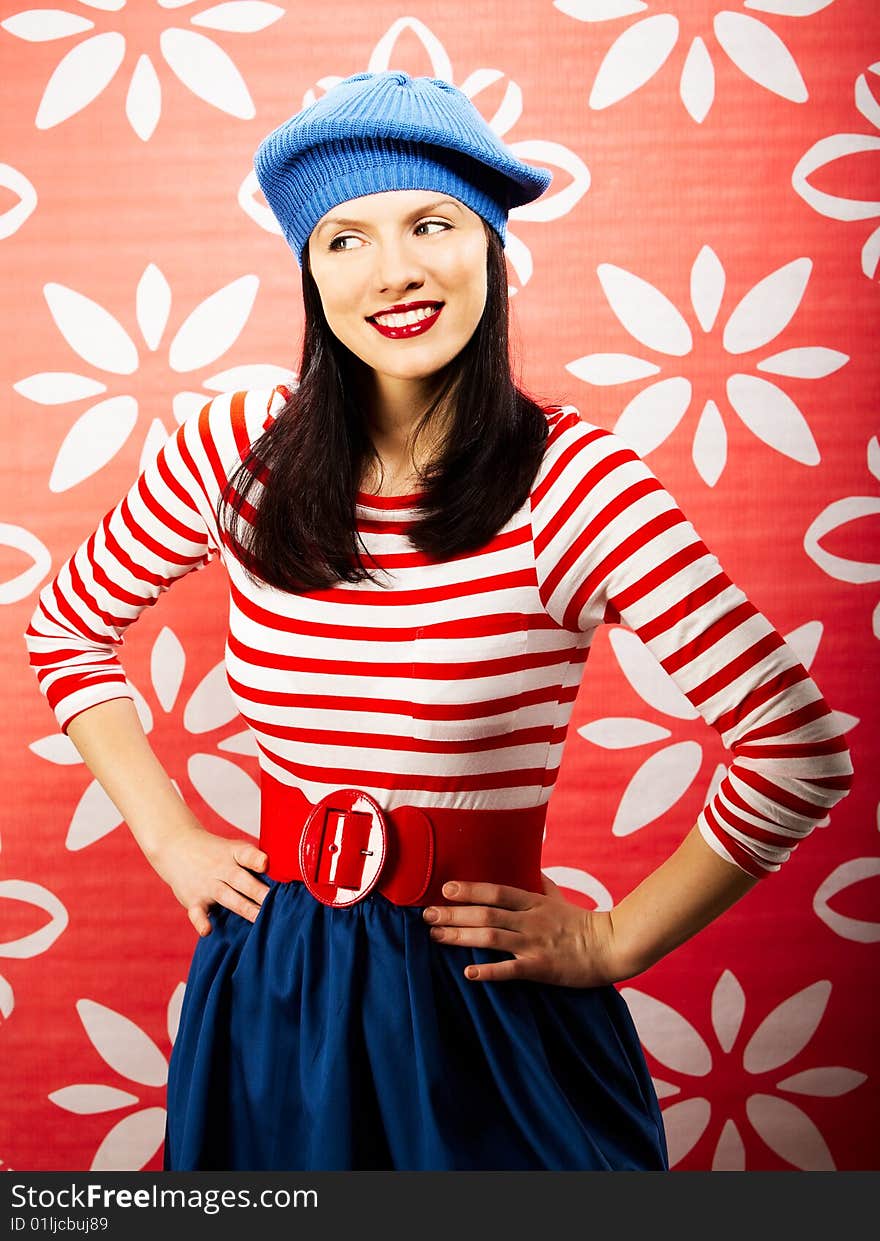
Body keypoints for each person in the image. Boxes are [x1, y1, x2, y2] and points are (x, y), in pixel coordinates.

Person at [23, 70, 854, 1173]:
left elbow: (795, 750)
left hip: (483, 1009)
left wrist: (612, 938)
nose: (394, 270)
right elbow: (67, 626)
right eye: (345, 239)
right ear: (308, 272)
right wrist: (169, 835)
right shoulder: (237, 449)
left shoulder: (578, 481)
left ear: (491, 245)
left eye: (431, 224)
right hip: (274, 994)